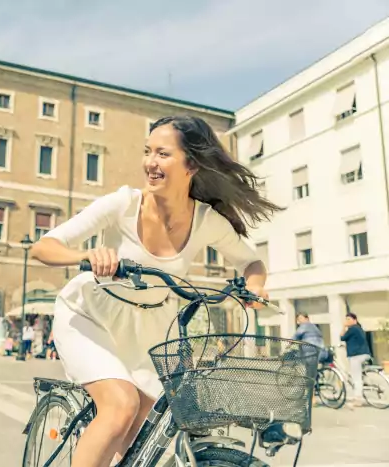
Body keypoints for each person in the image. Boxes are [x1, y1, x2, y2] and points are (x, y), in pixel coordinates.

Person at [30, 115, 282, 467]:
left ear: (191, 164)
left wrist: (254, 288)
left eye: (162, 154)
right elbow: (44, 247)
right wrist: (86, 254)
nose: (150, 162)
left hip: (152, 331)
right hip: (90, 317)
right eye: (148, 152)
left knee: (146, 438)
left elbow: (251, 263)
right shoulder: (124, 204)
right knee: (120, 407)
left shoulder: (207, 221)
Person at [341, 312, 371, 408]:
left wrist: (343, 327)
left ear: (355, 320)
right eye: (346, 319)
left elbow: (342, 337)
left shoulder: (352, 329)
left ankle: (358, 400)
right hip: (365, 354)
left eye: (349, 319)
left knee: (356, 378)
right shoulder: (359, 329)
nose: (347, 321)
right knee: (359, 376)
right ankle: (363, 386)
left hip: (356, 356)